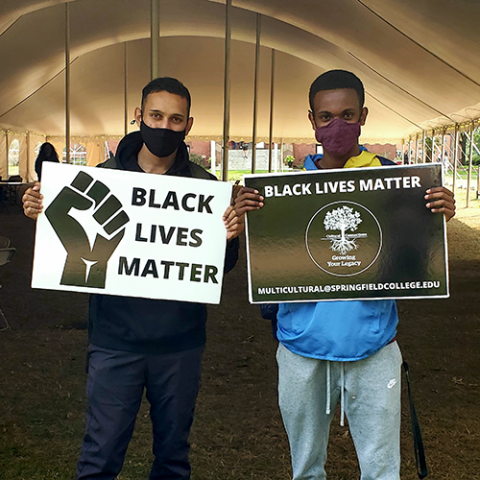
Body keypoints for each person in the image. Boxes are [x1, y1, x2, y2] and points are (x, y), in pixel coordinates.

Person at [22, 77, 248, 480]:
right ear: (138, 116)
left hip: (180, 345)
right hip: (114, 343)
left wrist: (231, 237)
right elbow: (68, 244)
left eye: (175, 119)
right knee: (100, 456)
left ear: (189, 124)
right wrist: (41, 208)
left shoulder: (205, 187)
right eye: (156, 115)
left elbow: (218, 265)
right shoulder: (100, 178)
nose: (164, 126)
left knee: (173, 459)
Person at [235, 70, 456, 480]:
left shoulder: (396, 182)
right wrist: (246, 221)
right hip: (301, 345)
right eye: (326, 117)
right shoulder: (282, 191)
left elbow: (412, 257)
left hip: (373, 347)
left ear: (363, 116)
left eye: (347, 114)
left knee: (381, 469)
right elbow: (270, 260)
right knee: (305, 469)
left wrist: (436, 216)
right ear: (312, 121)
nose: (336, 126)